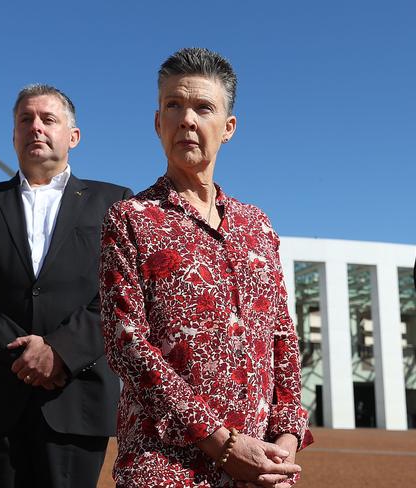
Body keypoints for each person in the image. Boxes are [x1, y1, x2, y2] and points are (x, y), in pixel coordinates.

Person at [99, 48, 312, 488]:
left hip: (264, 470)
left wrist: (287, 437)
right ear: (158, 123)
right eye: (173, 106)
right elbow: (127, 344)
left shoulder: (258, 225)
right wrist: (221, 443)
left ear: (228, 128)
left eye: (203, 107)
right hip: (165, 468)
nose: (187, 120)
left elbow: (282, 338)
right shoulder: (131, 218)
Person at [0, 84, 132, 488]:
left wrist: (60, 351)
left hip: (75, 398)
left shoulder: (116, 204)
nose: (35, 127)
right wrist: (24, 354)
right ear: (13, 136)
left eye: (48, 119)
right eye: (25, 119)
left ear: (73, 136)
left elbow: (123, 296)